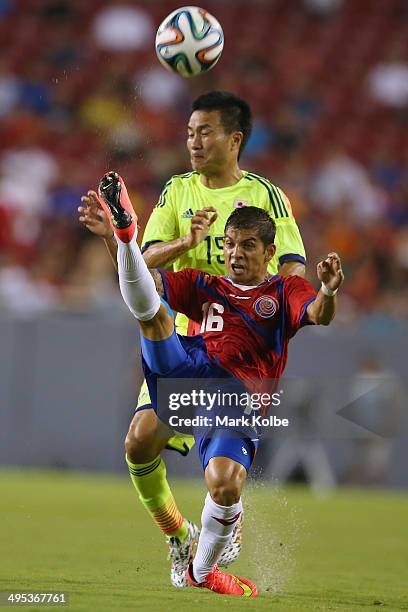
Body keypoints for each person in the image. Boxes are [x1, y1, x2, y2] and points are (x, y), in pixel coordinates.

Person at [78, 91, 307, 587]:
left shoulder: (268, 196)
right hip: (185, 340)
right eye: (189, 133)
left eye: (205, 132)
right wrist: (181, 243)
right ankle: (178, 535)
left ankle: (218, 531)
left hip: (237, 352)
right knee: (138, 444)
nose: (194, 142)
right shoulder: (178, 191)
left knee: (222, 480)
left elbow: (291, 266)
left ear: (235, 138)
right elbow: (148, 262)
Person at [95, 170, 343, 596]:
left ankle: (201, 570)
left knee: (225, 485)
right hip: (189, 370)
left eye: (247, 246)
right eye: (229, 244)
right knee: (152, 313)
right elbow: (142, 284)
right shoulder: (201, 283)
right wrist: (125, 247)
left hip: (237, 396)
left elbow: (318, 314)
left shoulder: (285, 291)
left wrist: (329, 290)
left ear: (269, 251)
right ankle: (125, 230)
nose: (235, 254)